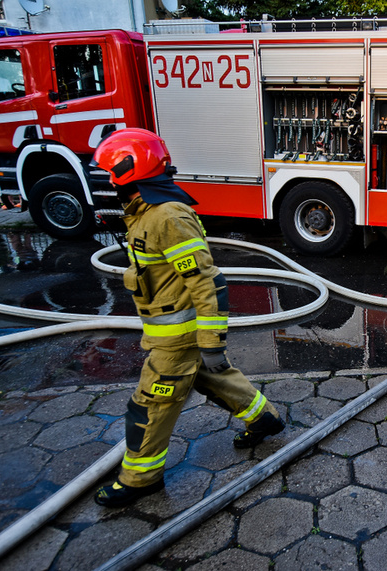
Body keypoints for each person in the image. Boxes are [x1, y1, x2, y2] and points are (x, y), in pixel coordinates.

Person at [91, 128, 285, 508]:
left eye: (110, 172)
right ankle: (265, 419)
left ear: (130, 170)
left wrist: (212, 343)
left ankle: (140, 478)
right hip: (171, 335)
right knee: (214, 380)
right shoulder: (147, 212)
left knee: (151, 404)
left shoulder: (167, 217)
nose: (107, 181)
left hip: (176, 341)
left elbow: (206, 283)